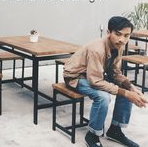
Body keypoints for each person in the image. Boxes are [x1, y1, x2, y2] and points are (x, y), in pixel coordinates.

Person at [63, 16, 148, 147]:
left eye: (127, 35)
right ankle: (92, 135)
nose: (122, 39)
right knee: (103, 97)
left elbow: (115, 72)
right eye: (118, 34)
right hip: (76, 76)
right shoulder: (97, 49)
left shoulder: (118, 45)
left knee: (126, 92)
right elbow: (95, 81)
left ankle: (115, 130)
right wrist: (125, 93)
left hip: (94, 74)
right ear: (108, 33)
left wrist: (130, 87)